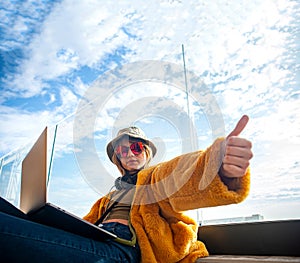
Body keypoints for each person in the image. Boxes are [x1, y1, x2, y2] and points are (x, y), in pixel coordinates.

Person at [0, 115, 253, 263]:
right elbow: (83, 225)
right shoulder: (106, 199)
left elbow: (180, 175)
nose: (128, 153)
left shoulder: (154, 177)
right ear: (117, 159)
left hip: (121, 250)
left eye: (135, 147)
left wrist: (218, 166)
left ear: (146, 152)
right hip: (95, 239)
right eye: (122, 150)